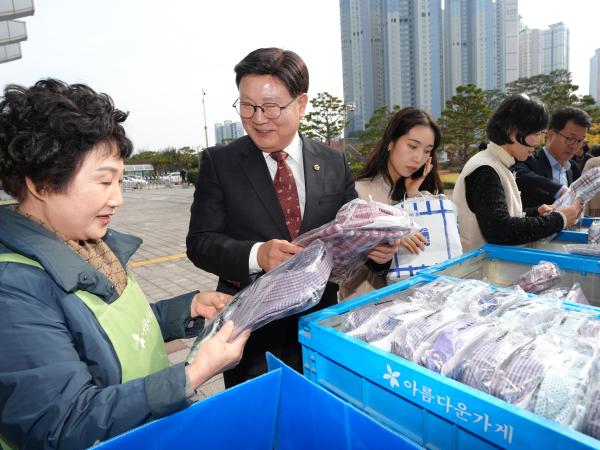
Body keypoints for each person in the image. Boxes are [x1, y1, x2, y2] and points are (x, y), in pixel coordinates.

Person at [0, 79, 250, 450]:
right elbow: (61, 424)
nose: (117, 198)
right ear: (41, 183)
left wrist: (185, 309)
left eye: (120, 180)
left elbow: (102, 333)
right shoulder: (12, 290)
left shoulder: (87, 242)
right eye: (104, 181)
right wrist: (192, 373)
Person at [186, 48, 399, 388]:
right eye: (247, 105)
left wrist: (376, 252)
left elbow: (353, 229)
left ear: (301, 104)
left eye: (271, 106)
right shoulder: (220, 163)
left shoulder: (333, 162)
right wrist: (258, 254)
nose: (258, 118)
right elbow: (200, 243)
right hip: (251, 335)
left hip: (320, 324)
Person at [453, 94, 581, 252]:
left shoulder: (498, 163)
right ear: (511, 130)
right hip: (477, 269)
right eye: (535, 133)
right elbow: (499, 230)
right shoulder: (485, 169)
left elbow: (495, 215)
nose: (538, 141)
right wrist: (559, 219)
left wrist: (534, 212)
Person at [340, 107, 444, 299]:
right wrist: (389, 234)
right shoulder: (359, 194)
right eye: (412, 146)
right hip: (365, 307)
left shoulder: (418, 195)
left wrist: (413, 198)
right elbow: (343, 257)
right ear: (390, 143)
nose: (418, 158)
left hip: (414, 302)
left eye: (426, 151)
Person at [513, 106, 592, 208]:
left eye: (580, 140)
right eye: (570, 138)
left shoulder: (573, 167)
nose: (574, 146)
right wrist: (559, 190)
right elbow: (518, 174)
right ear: (550, 135)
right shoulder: (528, 159)